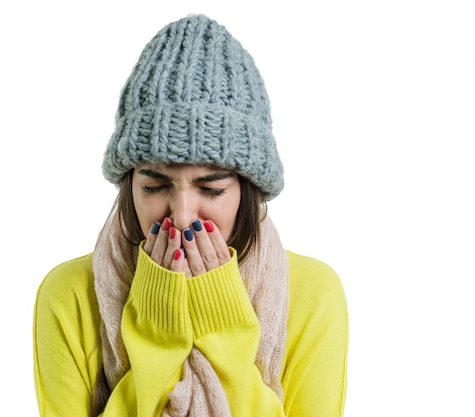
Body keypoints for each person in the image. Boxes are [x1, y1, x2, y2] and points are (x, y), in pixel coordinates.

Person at [33, 14, 348, 417]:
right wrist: (156, 337)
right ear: (128, 184)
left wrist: (224, 332)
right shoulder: (69, 295)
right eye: (154, 186)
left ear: (247, 190)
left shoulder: (313, 294)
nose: (182, 217)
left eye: (211, 189)